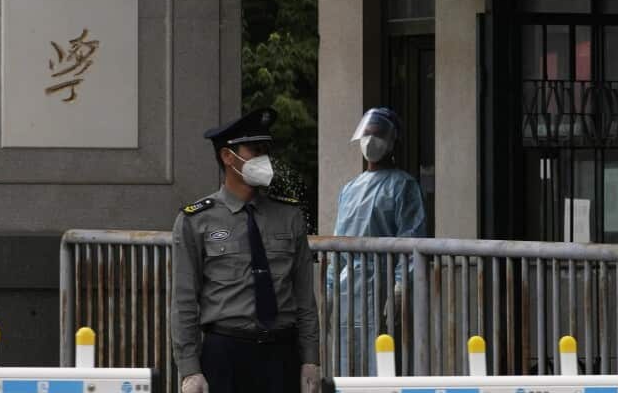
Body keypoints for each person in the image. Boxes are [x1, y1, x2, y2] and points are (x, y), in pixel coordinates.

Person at [171, 107, 321, 393]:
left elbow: (305, 298)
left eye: (266, 149)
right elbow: (184, 301)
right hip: (225, 352)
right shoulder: (196, 220)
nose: (264, 159)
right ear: (228, 157)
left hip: (281, 353)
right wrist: (190, 369)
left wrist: (310, 359)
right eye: (254, 150)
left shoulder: (289, 216)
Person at [329, 107, 426, 374]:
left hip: (380, 289)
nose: (370, 140)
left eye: (378, 134)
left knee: (381, 365)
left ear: (393, 140)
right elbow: (339, 240)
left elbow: (411, 240)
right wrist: (329, 288)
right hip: (347, 291)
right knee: (346, 366)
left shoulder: (403, 186)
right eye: (367, 134)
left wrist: (399, 288)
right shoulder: (349, 189)